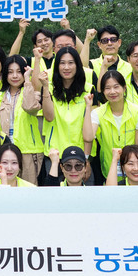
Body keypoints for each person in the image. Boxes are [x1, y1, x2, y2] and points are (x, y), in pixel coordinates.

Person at [31, 45, 91, 184]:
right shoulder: (49, 88)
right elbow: (49, 117)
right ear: (57, 66)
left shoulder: (88, 90)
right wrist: (45, 88)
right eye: (62, 63)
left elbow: (89, 128)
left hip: (80, 157)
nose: (66, 67)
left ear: (77, 65)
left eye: (71, 63)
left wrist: (87, 159)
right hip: (54, 155)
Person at [83, 70, 138, 184]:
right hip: (108, 169)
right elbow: (88, 137)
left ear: (124, 88)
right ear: (102, 91)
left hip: (134, 172)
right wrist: (88, 107)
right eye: (107, 88)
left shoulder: (137, 111)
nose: (112, 92)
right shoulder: (98, 113)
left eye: (116, 87)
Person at [0, 55, 43, 185]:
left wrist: (27, 80)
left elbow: (30, 107)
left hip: (28, 152)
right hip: (4, 151)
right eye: (10, 72)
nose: (14, 76)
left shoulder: (30, 92)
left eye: (19, 72)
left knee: (28, 192)